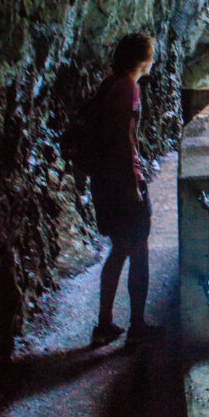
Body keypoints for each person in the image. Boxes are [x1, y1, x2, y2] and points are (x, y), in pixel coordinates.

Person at [89, 33, 156, 349]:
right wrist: (134, 186)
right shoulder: (129, 87)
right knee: (138, 251)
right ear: (143, 60)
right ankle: (138, 326)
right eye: (151, 56)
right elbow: (123, 140)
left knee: (118, 251)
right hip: (122, 185)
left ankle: (104, 324)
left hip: (104, 183)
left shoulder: (109, 82)